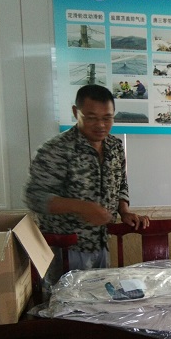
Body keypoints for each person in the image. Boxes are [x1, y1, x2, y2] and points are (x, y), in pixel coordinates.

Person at [24, 84, 149, 283]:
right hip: (65, 248)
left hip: (101, 244)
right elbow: (34, 197)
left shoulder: (115, 147)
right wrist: (82, 207)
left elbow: (121, 184)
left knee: (100, 298)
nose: (100, 125)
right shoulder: (56, 150)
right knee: (66, 301)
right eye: (91, 118)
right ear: (76, 112)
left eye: (107, 118)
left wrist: (124, 211)